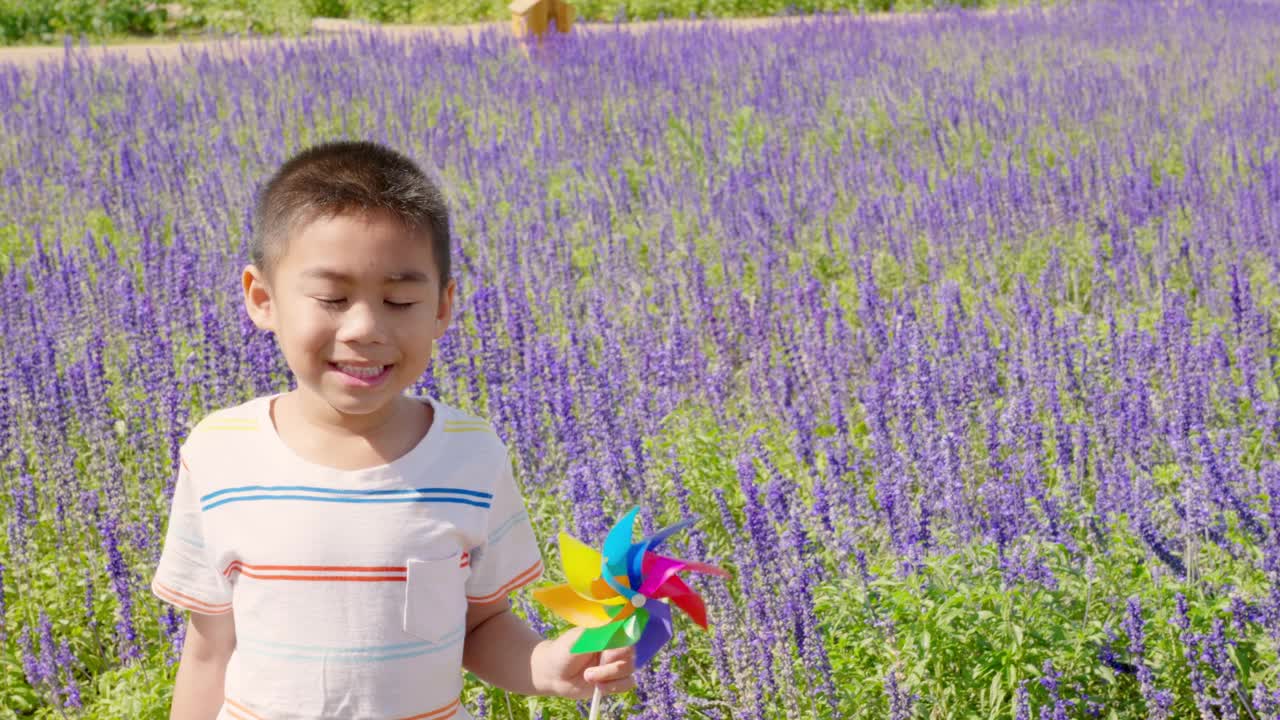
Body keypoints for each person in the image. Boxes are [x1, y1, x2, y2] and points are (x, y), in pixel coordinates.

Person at [150, 140, 636, 719]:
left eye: (400, 300)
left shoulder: (471, 458)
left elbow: (478, 625)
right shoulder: (220, 453)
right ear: (263, 298)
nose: (365, 327)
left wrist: (546, 665)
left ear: (442, 306)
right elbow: (208, 651)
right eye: (331, 297)